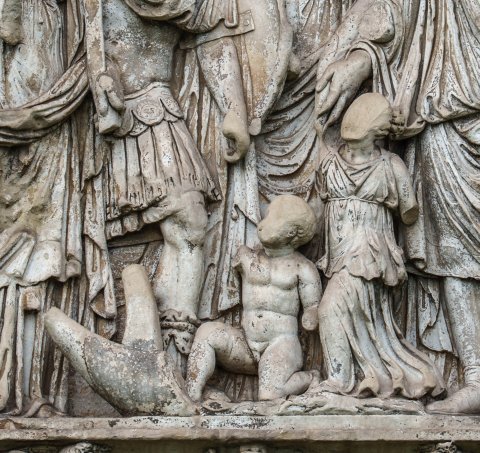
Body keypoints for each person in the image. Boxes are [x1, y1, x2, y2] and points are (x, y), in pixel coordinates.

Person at [314, 0, 480, 414]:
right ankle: (476, 376)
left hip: (456, 108)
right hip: (448, 114)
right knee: (453, 252)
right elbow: (399, 14)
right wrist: (360, 59)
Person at [316, 93, 444, 398]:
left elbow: (409, 211)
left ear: (376, 131)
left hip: (369, 254)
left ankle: (338, 380)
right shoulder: (329, 163)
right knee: (361, 322)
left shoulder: (391, 166)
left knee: (330, 310)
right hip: (339, 253)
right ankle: (371, 377)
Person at [186, 195, 322, 401]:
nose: (262, 224)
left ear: (292, 232)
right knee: (207, 333)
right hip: (245, 344)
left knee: (270, 395)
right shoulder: (247, 256)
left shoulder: (302, 268)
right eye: (266, 217)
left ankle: (310, 378)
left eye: (273, 219)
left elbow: (313, 304)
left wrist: (311, 315)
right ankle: (192, 396)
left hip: (280, 344)